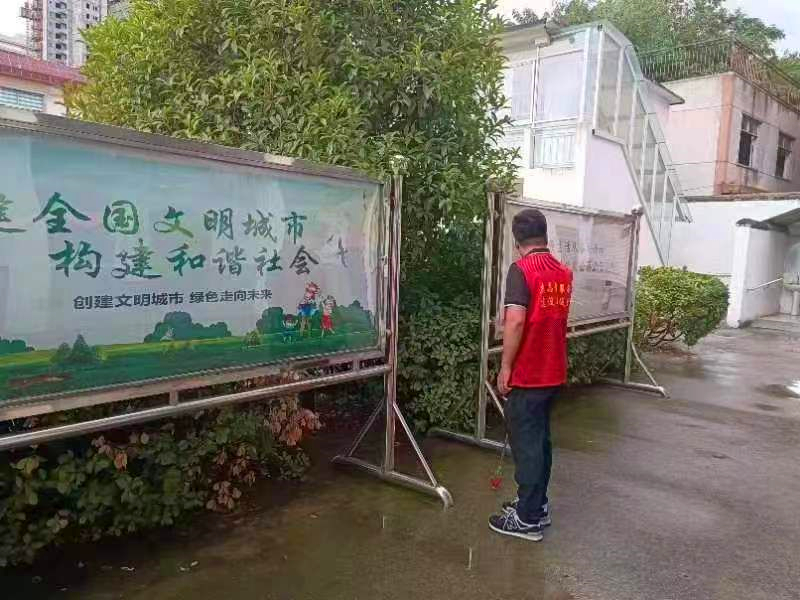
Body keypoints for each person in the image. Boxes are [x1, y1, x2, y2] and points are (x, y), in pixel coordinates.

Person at [488, 208, 573, 542]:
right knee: (541, 441)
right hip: (554, 370)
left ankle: (526, 519)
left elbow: (516, 321)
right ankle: (537, 506)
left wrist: (506, 367)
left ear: (517, 240)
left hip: (529, 372)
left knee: (527, 446)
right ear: (544, 235)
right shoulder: (562, 271)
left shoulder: (521, 269)